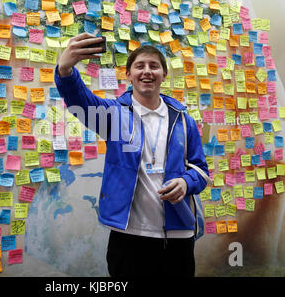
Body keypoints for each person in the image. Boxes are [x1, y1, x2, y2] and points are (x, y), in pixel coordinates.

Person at [54, 33, 210, 277]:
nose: (147, 71)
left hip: (178, 235)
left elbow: (201, 171)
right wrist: (65, 69)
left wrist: (185, 182)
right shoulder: (112, 116)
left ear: (164, 75)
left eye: (154, 66)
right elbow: (79, 101)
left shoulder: (183, 120)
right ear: (128, 75)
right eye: (140, 66)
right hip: (129, 237)